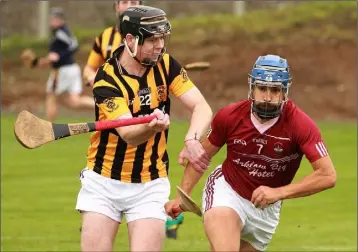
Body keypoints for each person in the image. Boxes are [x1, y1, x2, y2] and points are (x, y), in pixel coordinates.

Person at [165, 54, 337, 251]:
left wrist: (278, 193)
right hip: (227, 191)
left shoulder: (301, 125)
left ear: (285, 92)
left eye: (275, 90)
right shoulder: (230, 116)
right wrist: (182, 196)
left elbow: (328, 175)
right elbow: (200, 157)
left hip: (266, 209)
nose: (267, 96)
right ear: (252, 87)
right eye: (262, 88)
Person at [75, 5, 212, 252]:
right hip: (103, 182)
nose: (160, 45)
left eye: (162, 37)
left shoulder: (166, 65)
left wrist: (192, 139)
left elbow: (202, 107)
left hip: (150, 183)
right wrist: (153, 127)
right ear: (130, 40)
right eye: (152, 39)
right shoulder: (106, 79)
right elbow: (129, 136)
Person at [25, 7, 94, 121]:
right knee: (74, 101)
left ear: (62, 20)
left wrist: (58, 56)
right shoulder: (58, 33)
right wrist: (37, 63)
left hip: (63, 71)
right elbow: (53, 58)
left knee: (51, 95)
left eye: (56, 18)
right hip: (70, 68)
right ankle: (101, 105)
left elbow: (74, 46)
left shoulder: (61, 32)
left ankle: (47, 126)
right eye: (52, 17)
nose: (53, 20)